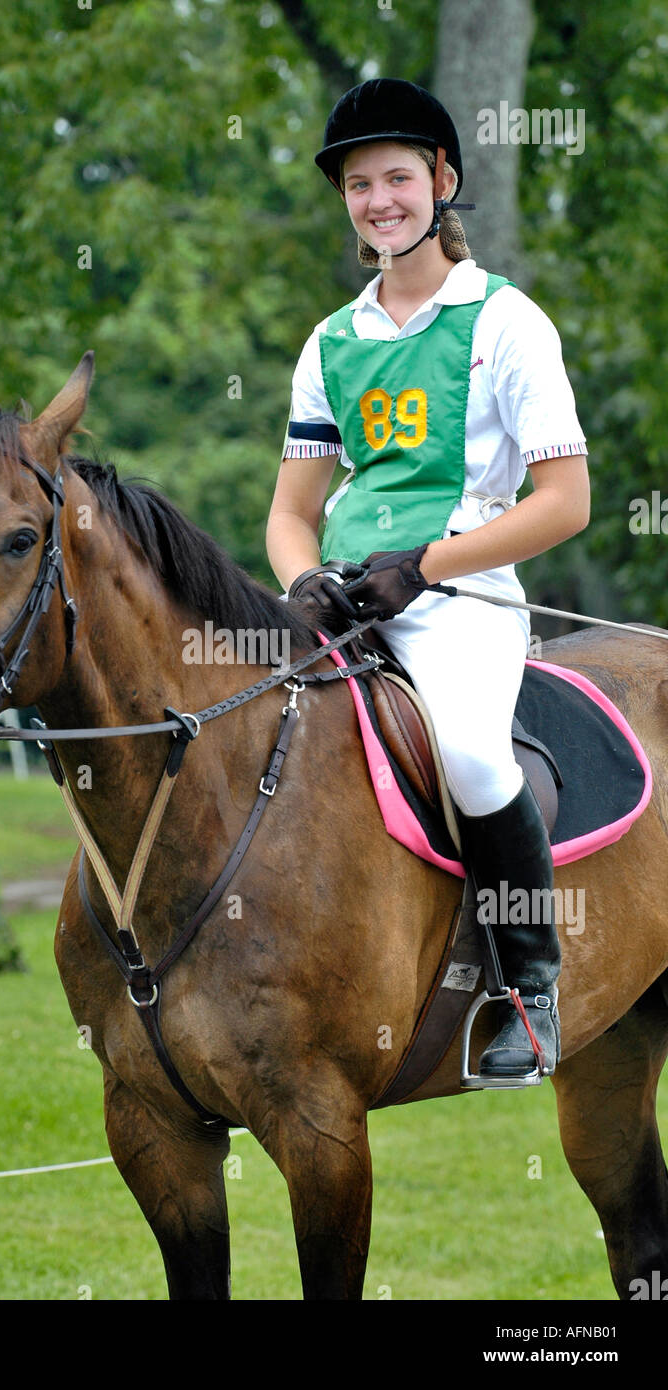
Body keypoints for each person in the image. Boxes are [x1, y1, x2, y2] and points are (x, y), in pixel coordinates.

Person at [265, 78, 590, 1081]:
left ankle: (529, 993)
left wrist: (430, 567)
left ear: (442, 181)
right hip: (349, 601)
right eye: (359, 185)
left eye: (397, 177)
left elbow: (566, 501)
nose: (378, 200)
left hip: (462, 602)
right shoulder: (331, 341)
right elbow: (289, 509)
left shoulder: (507, 322)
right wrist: (307, 576)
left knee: (473, 758)